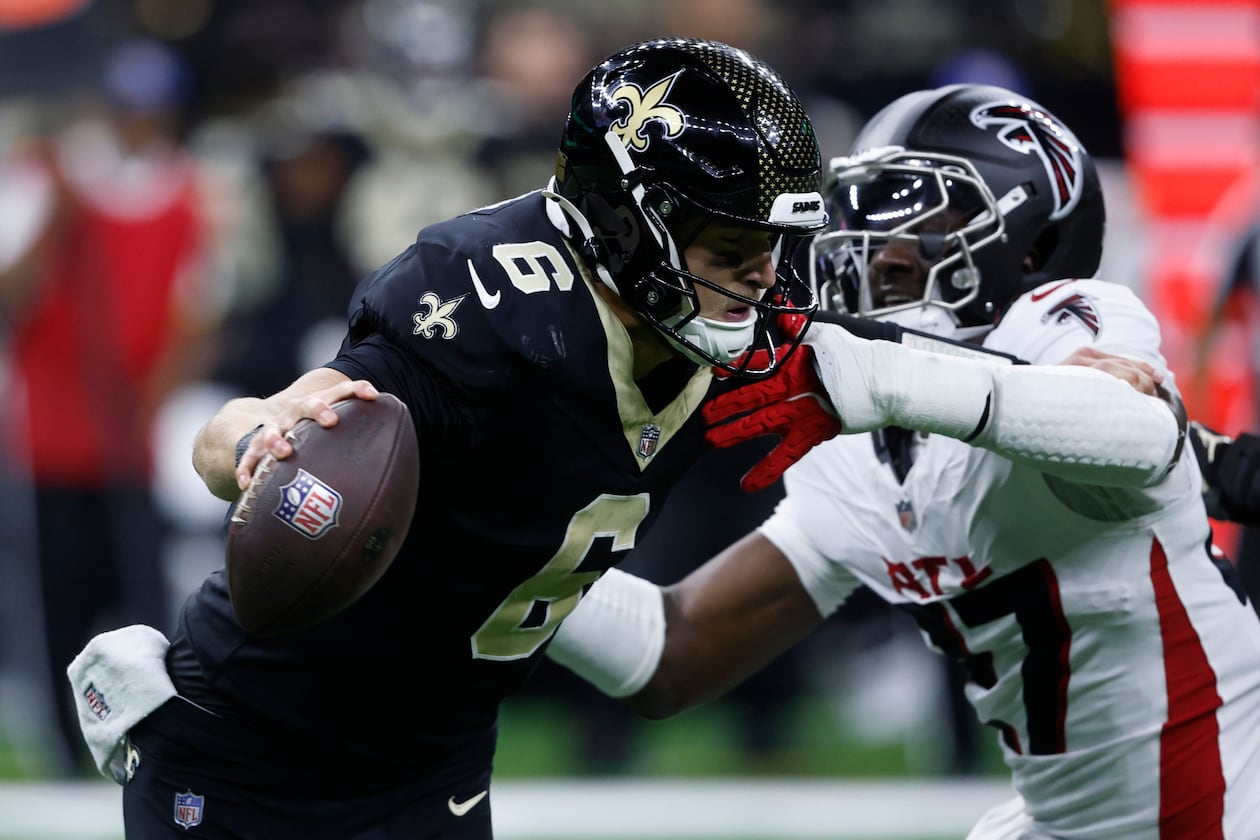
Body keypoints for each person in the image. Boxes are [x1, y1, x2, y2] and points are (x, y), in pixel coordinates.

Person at [66, 38, 828, 837]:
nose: (765, 281)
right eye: (732, 250)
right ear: (629, 228)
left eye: (769, 249)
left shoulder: (744, 337)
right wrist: (261, 437)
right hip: (247, 750)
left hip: (433, 767)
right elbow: (245, 430)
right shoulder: (491, 305)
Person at [547, 83, 1260, 839]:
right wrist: (494, 564)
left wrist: (892, 375)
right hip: (1076, 819)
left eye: (931, 215)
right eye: (868, 212)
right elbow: (674, 650)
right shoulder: (867, 447)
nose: (882, 249)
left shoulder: (1061, 325)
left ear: (1034, 243)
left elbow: (1142, 436)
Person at [0, 38, 210, 776]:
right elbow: (11, 295)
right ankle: (61, 741)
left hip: (133, 432)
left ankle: (145, 733)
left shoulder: (186, 191)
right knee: (59, 587)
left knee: (140, 587)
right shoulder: (49, 180)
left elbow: (195, 313)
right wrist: (57, 219)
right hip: (53, 427)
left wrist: (151, 405)